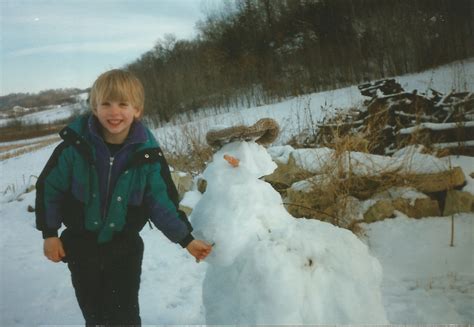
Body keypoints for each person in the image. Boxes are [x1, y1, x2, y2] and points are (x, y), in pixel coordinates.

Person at [35, 69, 212, 326]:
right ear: (95, 108)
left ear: (137, 110)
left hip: (124, 248)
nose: (114, 111)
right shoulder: (73, 148)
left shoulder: (148, 155)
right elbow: (50, 189)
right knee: (94, 313)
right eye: (106, 103)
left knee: (124, 315)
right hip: (81, 245)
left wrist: (186, 239)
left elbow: (160, 202)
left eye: (122, 104)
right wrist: (49, 233)